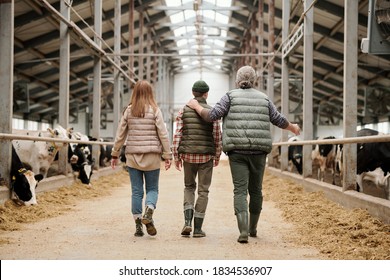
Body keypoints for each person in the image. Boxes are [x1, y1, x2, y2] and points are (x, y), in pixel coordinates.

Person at [187, 66, 301, 243]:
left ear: (237, 80)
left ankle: (243, 231)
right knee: (256, 190)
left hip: (237, 151)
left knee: (240, 190)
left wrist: (196, 106)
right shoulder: (264, 98)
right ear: (254, 80)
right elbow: (278, 119)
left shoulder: (230, 96)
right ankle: (253, 228)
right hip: (259, 151)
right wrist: (292, 127)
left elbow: (212, 116)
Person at [111, 80, 172, 237]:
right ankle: (149, 210)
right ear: (150, 93)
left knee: (136, 192)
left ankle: (138, 226)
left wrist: (115, 153)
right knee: (152, 189)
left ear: (135, 93)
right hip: (152, 156)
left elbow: (120, 134)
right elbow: (163, 134)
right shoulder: (155, 110)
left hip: (133, 157)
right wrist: (167, 155)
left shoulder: (128, 111)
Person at [172, 80, 222, 238]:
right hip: (206, 156)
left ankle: (187, 222)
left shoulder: (183, 110)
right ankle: (198, 229)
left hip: (188, 155)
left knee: (189, 187)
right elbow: (217, 136)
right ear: (206, 94)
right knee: (203, 191)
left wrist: (176, 155)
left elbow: (177, 134)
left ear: (193, 93)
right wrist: (218, 154)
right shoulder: (212, 112)